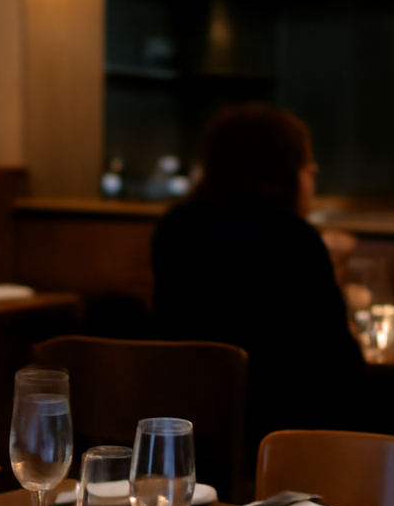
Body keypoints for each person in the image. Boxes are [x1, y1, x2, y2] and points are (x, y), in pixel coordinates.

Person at [150, 103, 363, 447]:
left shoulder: (175, 228)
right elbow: (340, 365)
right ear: (284, 172)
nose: (312, 177)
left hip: (184, 426)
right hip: (277, 434)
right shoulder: (294, 239)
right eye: (307, 167)